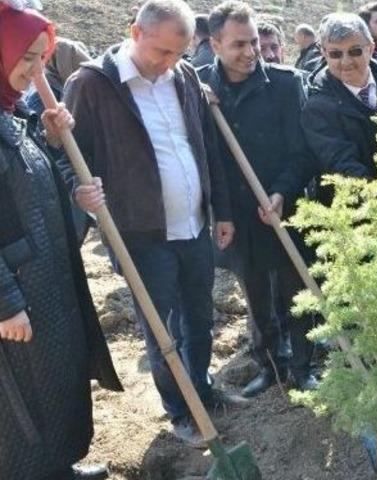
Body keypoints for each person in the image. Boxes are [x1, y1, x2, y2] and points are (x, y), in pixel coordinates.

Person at [61, 0, 246, 448]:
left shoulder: (183, 77)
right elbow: (67, 157)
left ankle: (201, 389)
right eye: (162, 52)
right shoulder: (91, 84)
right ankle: (181, 411)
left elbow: (204, 148)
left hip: (193, 225)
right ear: (135, 32)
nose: (169, 63)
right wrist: (78, 192)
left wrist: (220, 210)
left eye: (179, 53)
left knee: (199, 320)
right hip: (139, 233)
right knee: (162, 330)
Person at [0, 5, 122, 479]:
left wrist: (52, 146)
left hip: (49, 283)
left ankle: (59, 469)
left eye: (41, 58)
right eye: (26, 57)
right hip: (18, 298)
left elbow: (25, 189)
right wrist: (5, 301)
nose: (36, 71)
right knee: (23, 406)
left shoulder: (13, 113)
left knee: (57, 384)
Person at [198, 0, 318, 396]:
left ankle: (303, 366)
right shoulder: (199, 87)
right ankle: (270, 365)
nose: (250, 52)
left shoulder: (285, 85)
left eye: (253, 42)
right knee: (256, 296)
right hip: (237, 215)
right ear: (215, 44)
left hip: (284, 208)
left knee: (297, 292)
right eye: (238, 45)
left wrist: (282, 191)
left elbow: (302, 151)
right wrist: (220, 213)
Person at [302, 12, 377, 202]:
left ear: (371, 48)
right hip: (350, 209)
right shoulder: (317, 107)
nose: (346, 61)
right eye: (336, 54)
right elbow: (341, 162)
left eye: (355, 51)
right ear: (324, 53)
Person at [22, 36, 93, 246]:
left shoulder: (81, 92)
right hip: (65, 184)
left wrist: (52, 139)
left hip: (76, 180)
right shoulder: (42, 99)